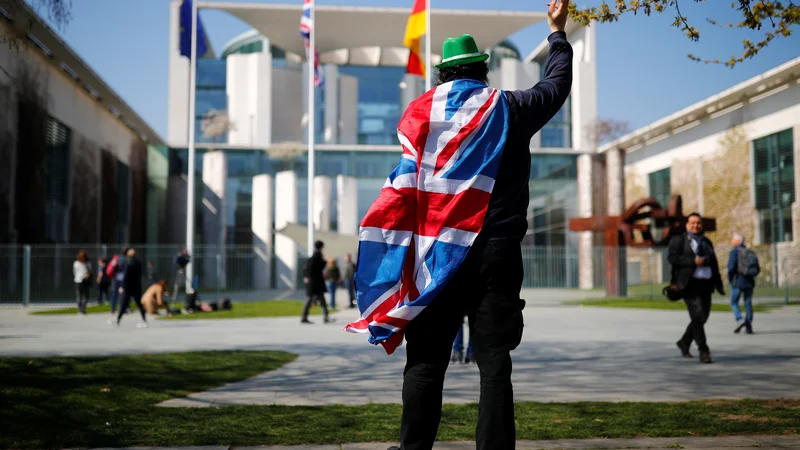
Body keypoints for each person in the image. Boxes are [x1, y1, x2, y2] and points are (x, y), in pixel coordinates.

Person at [372, 2, 574, 449]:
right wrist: (556, 34)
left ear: (444, 75)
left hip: (436, 255)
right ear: (483, 71)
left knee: (425, 363)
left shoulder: (419, 117)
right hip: (496, 254)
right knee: (494, 365)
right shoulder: (509, 109)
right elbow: (556, 86)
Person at [668, 213, 725, 364]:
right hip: (688, 285)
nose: (695, 226)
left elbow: (714, 263)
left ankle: (684, 342)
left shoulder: (707, 242)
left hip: (706, 284)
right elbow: (672, 258)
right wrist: (693, 261)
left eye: (698, 223)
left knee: (702, 317)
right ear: (687, 225)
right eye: (692, 223)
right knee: (697, 317)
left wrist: (718, 283)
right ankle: (704, 351)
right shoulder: (679, 240)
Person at [727, 232, 760, 334]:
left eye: (733, 239)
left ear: (737, 241)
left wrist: (730, 278)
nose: (732, 241)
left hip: (738, 280)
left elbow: (731, 267)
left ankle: (740, 319)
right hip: (749, 281)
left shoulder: (734, 252)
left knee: (733, 302)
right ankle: (748, 325)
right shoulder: (749, 251)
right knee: (748, 302)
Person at [114, 248, 148, 328]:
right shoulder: (138, 263)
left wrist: (122, 286)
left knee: (124, 304)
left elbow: (125, 276)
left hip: (128, 287)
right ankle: (144, 320)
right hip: (136, 286)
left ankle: (118, 320)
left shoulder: (128, 263)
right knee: (139, 304)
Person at [301, 240, 331, 324]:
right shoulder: (318, 256)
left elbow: (307, 269)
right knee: (319, 300)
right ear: (321, 247)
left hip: (312, 283)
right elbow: (319, 268)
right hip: (316, 283)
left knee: (310, 300)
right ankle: (325, 317)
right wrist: (324, 262)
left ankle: (304, 317)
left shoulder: (312, 257)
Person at [108, 247, 128, 316]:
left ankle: (112, 309)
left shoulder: (116, 258)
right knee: (123, 294)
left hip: (115, 277)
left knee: (114, 294)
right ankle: (122, 309)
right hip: (123, 279)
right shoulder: (126, 259)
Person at [72, 250, 91, 315]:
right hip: (84, 280)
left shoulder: (76, 263)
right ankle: (82, 309)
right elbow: (89, 271)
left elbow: (74, 272)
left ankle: (80, 309)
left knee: (79, 295)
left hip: (78, 280)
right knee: (85, 295)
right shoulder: (87, 263)